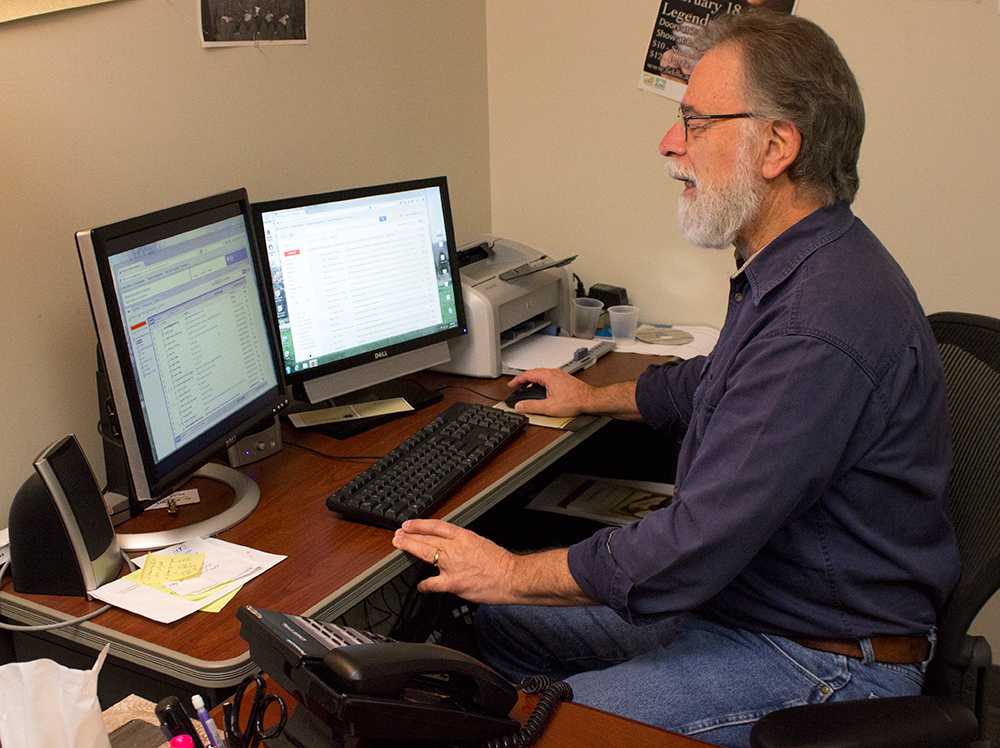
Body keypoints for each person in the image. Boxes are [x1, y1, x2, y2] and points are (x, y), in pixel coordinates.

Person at [392, 10, 960, 747]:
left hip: (819, 661)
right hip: (757, 608)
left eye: (694, 122)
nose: (668, 144)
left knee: (532, 719)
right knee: (499, 636)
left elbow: (689, 548)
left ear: (777, 146)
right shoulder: (805, 264)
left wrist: (507, 570)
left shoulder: (818, 323)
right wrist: (595, 395)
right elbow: (716, 384)